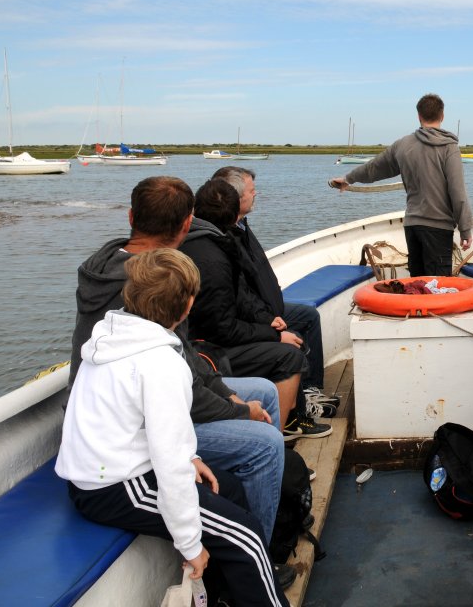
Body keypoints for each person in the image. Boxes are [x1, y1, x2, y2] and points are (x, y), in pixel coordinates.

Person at [68, 176, 290, 565]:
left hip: (122, 407)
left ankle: (260, 500)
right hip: (131, 430)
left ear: (131, 215)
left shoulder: (103, 265)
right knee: (265, 445)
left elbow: (185, 359)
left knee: (264, 393)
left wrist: (228, 395)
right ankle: (258, 554)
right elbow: (174, 385)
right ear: (187, 225)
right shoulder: (156, 280)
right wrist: (238, 410)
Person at [57, 249, 288, 607]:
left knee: (229, 488)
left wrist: (191, 458)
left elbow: (148, 427)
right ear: (186, 307)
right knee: (248, 539)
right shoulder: (160, 363)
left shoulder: (111, 334)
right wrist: (191, 545)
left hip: (107, 468)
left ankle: (225, 595)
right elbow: (168, 464)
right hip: (113, 485)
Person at [180, 178, 330, 441]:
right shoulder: (214, 259)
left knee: (297, 327)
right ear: (233, 213)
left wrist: (267, 320)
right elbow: (222, 328)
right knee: (290, 355)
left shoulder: (216, 242)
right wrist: (271, 334)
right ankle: (274, 440)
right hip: (210, 350)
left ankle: (299, 409)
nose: (255, 194)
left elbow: (240, 299)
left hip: (222, 334)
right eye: (251, 191)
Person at [212, 166, 339, 419]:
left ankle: (311, 389)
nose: (256, 194)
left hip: (267, 307)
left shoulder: (241, 226)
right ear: (235, 197)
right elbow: (241, 293)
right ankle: (298, 414)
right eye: (251, 190)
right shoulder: (227, 236)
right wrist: (269, 322)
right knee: (291, 337)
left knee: (308, 316)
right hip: (256, 315)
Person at [329, 93, 473, 276]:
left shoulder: (403, 145)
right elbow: (458, 192)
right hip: (438, 228)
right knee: (438, 287)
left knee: (417, 283)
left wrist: (348, 178)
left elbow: (374, 168)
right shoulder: (449, 148)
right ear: (442, 116)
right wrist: (465, 229)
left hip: (412, 226)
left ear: (419, 116)